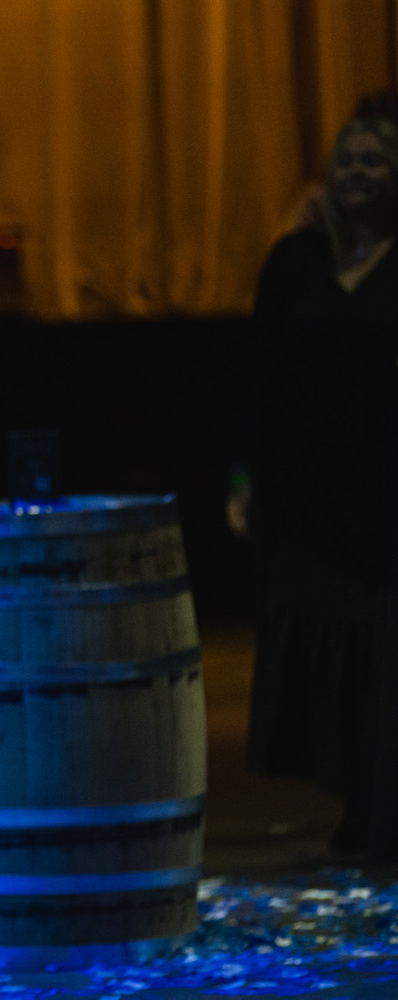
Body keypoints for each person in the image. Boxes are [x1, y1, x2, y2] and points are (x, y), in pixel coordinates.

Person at [242, 115, 398, 864]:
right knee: (327, 646)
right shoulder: (296, 260)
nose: (358, 173)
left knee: (377, 649)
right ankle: (353, 794)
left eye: (375, 161)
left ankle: (376, 803)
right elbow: (258, 377)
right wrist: (243, 477)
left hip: (382, 493)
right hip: (308, 493)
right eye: (347, 162)